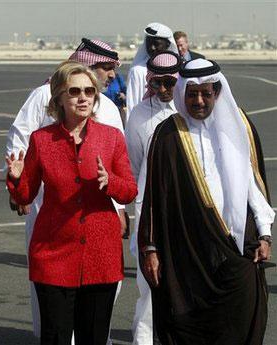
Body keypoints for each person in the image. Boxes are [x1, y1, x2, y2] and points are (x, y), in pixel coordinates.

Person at [138, 58, 275, 345]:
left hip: (238, 247)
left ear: (217, 93)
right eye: (191, 94)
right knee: (190, 324)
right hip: (188, 250)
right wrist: (150, 248)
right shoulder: (167, 135)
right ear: (182, 94)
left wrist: (265, 234)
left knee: (243, 320)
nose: (198, 101)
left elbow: (254, 186)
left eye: (205, 94)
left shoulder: (240, 126)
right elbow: (153, 196)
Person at [6, 61, 137, 345]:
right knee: (55, 336)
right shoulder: (42, 140)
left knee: (94, 337)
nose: (83, 98)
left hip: (100, 255)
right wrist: (16, 179)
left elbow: (129, 191)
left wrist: (110, 182)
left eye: (89, 91)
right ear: (59, 99)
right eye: (74, 91)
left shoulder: (111, 137)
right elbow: (24, 196)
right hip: (53, 254)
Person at [125, 51, 181, 345]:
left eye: (170, 83)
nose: (163, 90)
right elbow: (134, 169)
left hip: (187, 215)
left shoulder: (193, 109)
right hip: (151, 215)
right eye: (157, 83)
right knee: (149, 287)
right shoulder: (138, 115)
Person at [126, 22, 178, 120]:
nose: (152, 47)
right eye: (149, 44)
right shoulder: (138, 71)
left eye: (156, 44)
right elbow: (132, 105)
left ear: (167, 44)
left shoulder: (177, 69)